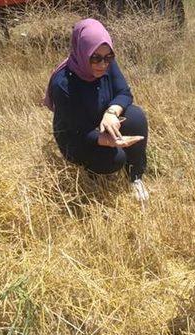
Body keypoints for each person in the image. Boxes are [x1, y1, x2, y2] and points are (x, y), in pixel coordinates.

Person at [44, 18, 149, 201]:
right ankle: (92, 176)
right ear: (83, 52)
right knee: (114, 159)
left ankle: (135, 177)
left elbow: (124, 93)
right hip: (77, 136)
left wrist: (111, 113)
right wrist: (108, 141)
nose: (102, 64)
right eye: (95, 58)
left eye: (108, 57)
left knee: (136, 117)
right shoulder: (63, 84)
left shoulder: (107, 63)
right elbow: (78, 131)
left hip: (101, 120)